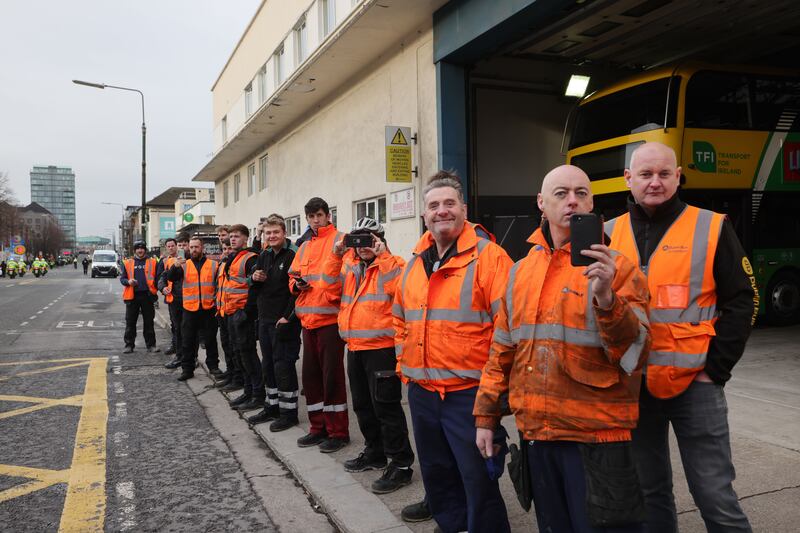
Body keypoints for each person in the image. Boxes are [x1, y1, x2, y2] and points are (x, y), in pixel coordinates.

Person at [474, 165, 651, 532]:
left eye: (582, 193)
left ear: (592, 202)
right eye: (561, 193)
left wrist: (607, 299)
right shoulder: (520, 271)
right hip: (539, 435)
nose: (573, 200)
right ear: (541, 202)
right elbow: (502, 351)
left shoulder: (617, 268)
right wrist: (487, 417)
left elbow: (638, 353)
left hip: (598, 440)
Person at [606, 142, 756, 533]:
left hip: (696, 385)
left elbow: (741, 301)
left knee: (715, 496)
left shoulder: (712, 226)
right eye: (645, 174)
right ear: (628, 179)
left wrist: (715, 369)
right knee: (649, 492)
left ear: (678, 177)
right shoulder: (607, 234)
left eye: (664, 174)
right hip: (633, 385)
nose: (655, 182)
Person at [393, 171, 512, 532]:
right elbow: (399, 319)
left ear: (463, 208)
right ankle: (452, 525)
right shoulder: (414, 263)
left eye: (449, 204)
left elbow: (507, 334)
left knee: (478, 479)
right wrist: (406, 368)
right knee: (438, 473)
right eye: (434, 205)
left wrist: (491, 401)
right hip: (423, 393)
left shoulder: (490, 258)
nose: (442, 211)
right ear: (424, 215)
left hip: (469, 394)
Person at [326, 217, 415, 494]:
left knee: (386, 407)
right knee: (363, 406)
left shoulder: (396, 263)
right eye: (359, 239)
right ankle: (375, 452)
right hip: (355, 347)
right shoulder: (350, 265)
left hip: (382, 348)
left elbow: (398, 293)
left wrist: (382, 257)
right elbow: (328, 289)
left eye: (370, 238)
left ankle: (400, 464)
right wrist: (336, 253)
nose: (364, 245)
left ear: (380, 239)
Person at [288, 197, 349, 453]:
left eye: (320, 215)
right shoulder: (304, 247)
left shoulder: (341, 241)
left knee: (331, 377)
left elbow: (346, 278)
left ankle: (338, 432)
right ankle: (318, 428)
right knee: (311, 378)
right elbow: (291, 277)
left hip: (330, 320)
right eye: (311, 217)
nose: (316, 220)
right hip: (308, 321)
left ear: (328, 215)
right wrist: (296, 285)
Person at [248, 214, 302, 431]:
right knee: (268, 365)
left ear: (284, 233)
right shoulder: (264, 255)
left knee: (283, 366)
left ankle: (289, 413)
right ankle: (272, 406)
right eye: (268, 233)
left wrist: (287, 317)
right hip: (265, 318)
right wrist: (254, 278)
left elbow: (298, 292)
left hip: (284, 320)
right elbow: (255, 285)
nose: (271, 236)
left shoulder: (293, 254)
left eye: (275, 232)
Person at [166, 236, 221, 381]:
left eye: (196, 247)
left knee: (210, 340)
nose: (193, 250)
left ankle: (213, 367)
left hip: (208, 308)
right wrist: (175, 266)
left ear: (202, 248)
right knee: (187, 341)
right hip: (189, 309)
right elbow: (170, 278)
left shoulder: (214, 265)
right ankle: (187, 369)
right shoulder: (183, 264)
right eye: (191, 247)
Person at [221, 224, 263, 412]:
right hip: (232, 312)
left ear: (246, 238)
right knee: (239, 354)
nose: (233, 239)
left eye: (237, 236)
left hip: (243, 314)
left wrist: (247, 312)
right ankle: (248, 391)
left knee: (248, 354)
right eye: (231, 236)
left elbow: (255, 288)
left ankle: (257, 394)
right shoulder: (234, 257)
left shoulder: (250, 258)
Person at [120, 241, 160, 354]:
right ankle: (129, 345)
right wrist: (128, 281)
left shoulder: (152, 262)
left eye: (142, 248)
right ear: (134, 250)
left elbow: (157, 278)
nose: (140, 250)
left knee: (149, 322)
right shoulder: (127, 263)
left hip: (147, 296)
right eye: (138, 248)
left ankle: (151, 345)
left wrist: (156, 291)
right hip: (132, 297)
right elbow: (122, 279)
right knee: (130, 322)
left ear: (145, 250)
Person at [214, 238, 242, 390]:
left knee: (235, 347)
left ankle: (238, 378)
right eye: (224, 249)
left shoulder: (234, 266)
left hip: (232, 312)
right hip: (222, 312)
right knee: (226, 346)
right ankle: (231, 373)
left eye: (229, 249)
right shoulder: (221, 265)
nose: (227, 251)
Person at [157, 237, 185, 366]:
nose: (171, 248)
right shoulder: (165, 261)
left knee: (186, 329)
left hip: (188, 299)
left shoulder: (188, 259)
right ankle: (177, 350)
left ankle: (188, 356)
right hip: (173, 299)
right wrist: (163, 288)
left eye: (173, 245)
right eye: (168, 246)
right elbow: (162, 277)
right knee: (176, 327)